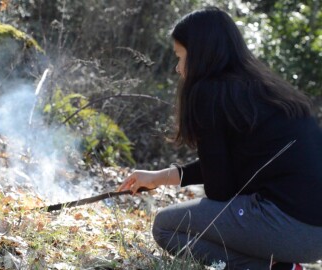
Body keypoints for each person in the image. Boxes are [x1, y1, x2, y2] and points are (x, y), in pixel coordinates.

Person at [117, 6, 322, 270]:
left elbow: (219, 191)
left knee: (167, 227)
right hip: (313, 231)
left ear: (200, 55)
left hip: (289, 226)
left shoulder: (209, 93)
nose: (178, 69)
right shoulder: (263, 88)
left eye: (180, 57)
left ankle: (276, 268)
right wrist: (159, 177)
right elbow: (232, 169)